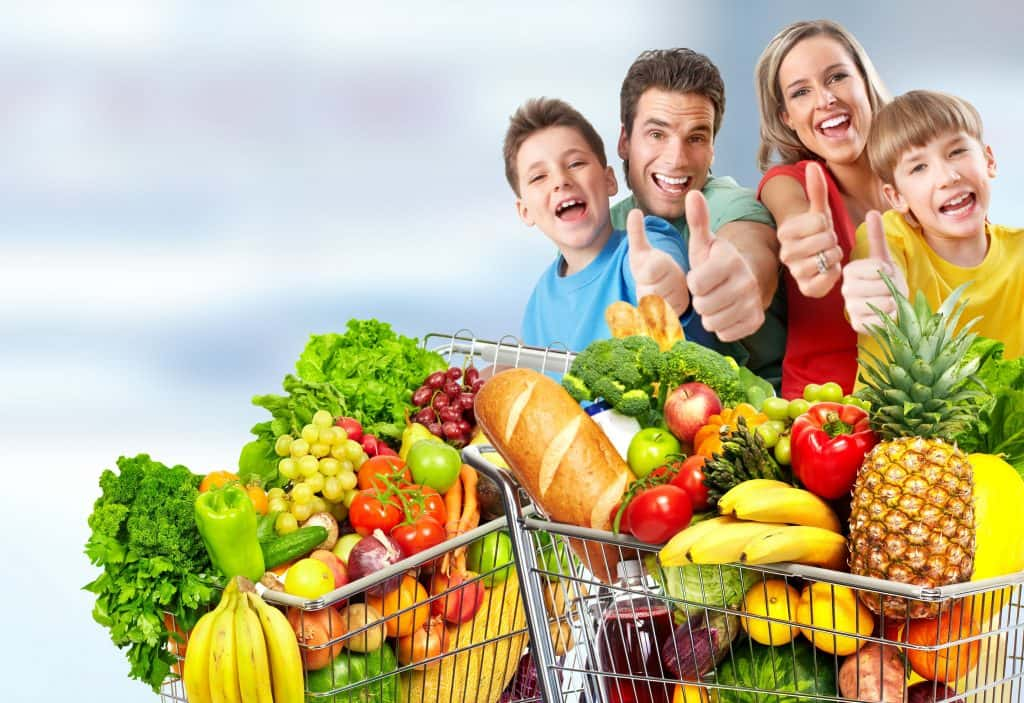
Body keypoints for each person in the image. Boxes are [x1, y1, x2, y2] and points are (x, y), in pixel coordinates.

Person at [612, 48, 786, 388]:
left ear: (712, 149)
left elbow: (750, 247)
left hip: (760, 424)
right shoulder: (605, 227)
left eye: (696, 137)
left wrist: (742, 282)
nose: (676, 159)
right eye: (657, 134)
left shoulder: (731, 205)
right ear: (624, 142)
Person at [503, 97, 710, 352]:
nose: (560, 180)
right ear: (525, 211)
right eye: (538, 177)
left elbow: (660, 268)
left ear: (609, 181)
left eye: (576, 163)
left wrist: (667, 287)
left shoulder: (643, 243)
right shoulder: (539, 300)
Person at [754, 19, 890, 398]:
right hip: (821, 425)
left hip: (921, 428)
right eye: (801, 92)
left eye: (836, 77)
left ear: (865, 80)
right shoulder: (790, 184)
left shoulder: (921, 179)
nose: (824, 99)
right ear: (787, 118)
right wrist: (806, 241)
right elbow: (792, 212)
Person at [843, 90, 1023, 362]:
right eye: (918, 168)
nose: (947, 177)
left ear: (989, 161)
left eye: (957, 151)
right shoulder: (890, 236)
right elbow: (877, 261)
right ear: (896, 197)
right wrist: (879, 288)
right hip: (888, 406)